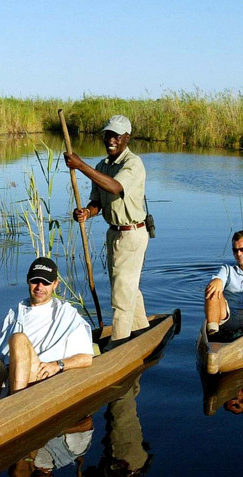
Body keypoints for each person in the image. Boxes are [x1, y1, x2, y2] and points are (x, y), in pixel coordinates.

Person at [65, 115, 149, 344]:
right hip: (114, 233)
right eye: (108, 135)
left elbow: (114, 187)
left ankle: (119, 344)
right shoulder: (103, 166)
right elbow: (98, 202)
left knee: (121, 295)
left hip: (132, 233)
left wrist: (80, 165)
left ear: (126, 138)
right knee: (125, 286)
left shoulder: (133, 164)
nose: (111, 140)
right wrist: (87, 212)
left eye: (116, 136)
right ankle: (142, 329)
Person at [0, 257, 95, 393]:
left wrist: (57, 365)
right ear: (27, 280)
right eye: (35, 281)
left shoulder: (66, 314)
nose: (40, 287)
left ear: (55, 284)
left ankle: (16, 402)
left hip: (40, 377)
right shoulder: (15, 312)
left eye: (46, 282)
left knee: (18, 338)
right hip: (9, 374)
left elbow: (86, 358)